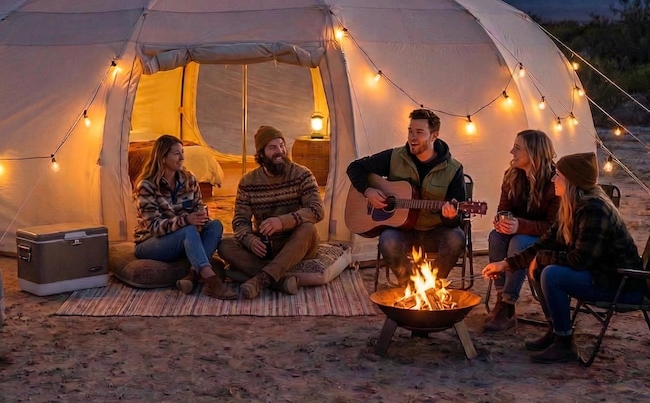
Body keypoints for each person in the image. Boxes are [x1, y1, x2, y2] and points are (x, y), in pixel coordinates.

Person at [482, 152, 644, 363]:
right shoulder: (571, 205)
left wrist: (541, 259)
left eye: (558, 175)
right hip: (600, 276)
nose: (553, 179)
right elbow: (545, 242)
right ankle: (556, 331)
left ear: (572, 181)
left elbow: (580, 260)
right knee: (541, 265)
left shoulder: (594, 210)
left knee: (552, 274)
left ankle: (564, 343)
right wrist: (505, 264)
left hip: (621, 284)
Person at [346, 108, 466, 284]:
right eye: (410, 131)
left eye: (419, 132)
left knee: (456, 239)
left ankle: (433, 285)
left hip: (435, 231)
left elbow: (457, 219)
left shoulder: (453, 169)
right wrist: (368, 191)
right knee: (388, 241)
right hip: (401, 230)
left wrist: (450, 217)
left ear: (434, 136)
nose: (412, 137)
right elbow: (355, 167)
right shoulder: (395, 157)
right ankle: (410, 285)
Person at [218, 125, 325, 300]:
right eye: (273, 148)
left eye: (282, 146)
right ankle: (280, 280)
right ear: (261, 154)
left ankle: (259, 279)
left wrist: (282, 222)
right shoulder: (248, 182)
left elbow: (317, 210)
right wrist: (250, 240)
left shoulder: (302, 174)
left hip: (296, 244)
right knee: (225, 245)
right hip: (266, 246)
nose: (280, 151)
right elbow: (240, 221)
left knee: (308, 229)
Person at [133, 134, 235, 300]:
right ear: (163, 157)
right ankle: (211, 280)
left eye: (182, 153)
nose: (182, 158)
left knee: (215, 225)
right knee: (188, 230)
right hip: (150, 242)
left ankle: (192, 275)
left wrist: (201, 220)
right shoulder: (147, 186)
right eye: (176, 154)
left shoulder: (189, 180)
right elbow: (155, 228)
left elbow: (198, 207)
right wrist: (187, 221)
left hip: (184, 238)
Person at [484, 129, 559, 332]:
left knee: (520, 242)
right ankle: (501, 297)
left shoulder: (555, 182)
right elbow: (504, 209)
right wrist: (501, 221)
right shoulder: (512, 176)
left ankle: (508, 303)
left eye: (517, 148)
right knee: (496, 236)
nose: (511, 152)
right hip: (519, 233)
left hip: (546, 240)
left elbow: (553, 227)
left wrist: (520, 225)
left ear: (534, 153)